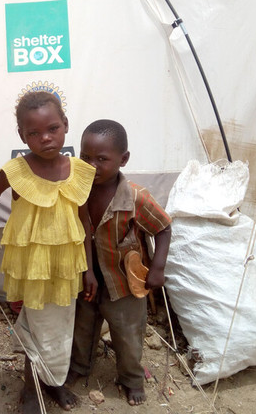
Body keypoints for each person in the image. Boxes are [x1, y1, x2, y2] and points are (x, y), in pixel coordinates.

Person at [0, 90, 97, 412]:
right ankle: (31, 387)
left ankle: (55, 383)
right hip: (32, 268)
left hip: (66, 268)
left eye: (52, 128)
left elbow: (84, 223)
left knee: (61, 325)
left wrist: (90, 270)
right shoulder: (16, 171)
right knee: (36, 324)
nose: (45, 138)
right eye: (34, 133)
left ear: (65, 125)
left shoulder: (79, 171)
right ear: (21, 135)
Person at [68, 119, 172, 406]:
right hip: (88, 279)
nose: (92, 165)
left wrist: (159, 267)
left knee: (128, 335)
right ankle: (80, 367)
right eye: (85, 157)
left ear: (123, 159)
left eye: (102, 159)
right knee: (83, 328)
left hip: (125, 285)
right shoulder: (80, 191)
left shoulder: (137, 197)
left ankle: (131, 379)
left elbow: (163, 228)